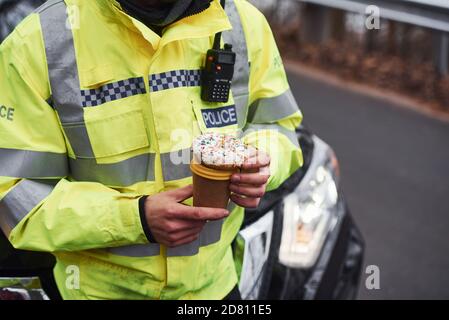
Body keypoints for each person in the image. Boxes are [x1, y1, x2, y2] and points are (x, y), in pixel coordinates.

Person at [0, 0, 303, 300]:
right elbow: (18, 196)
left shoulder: (243, 23)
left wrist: (261, 163)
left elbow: (278, 126)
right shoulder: (40, 41)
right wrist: (136, 219)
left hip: (216, 290)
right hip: (96, 294)